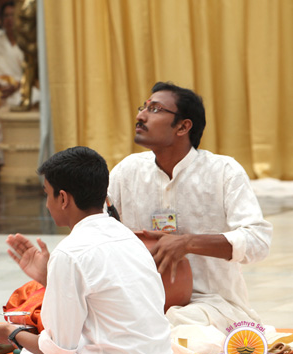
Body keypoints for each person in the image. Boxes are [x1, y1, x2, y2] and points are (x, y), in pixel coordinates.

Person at [0, 146, 172, 354]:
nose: (47, 204)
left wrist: (11, 333)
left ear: (64, 198)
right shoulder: (128, 237)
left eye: (47, 194)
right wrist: (49, 278)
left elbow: (59, 353)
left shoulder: (70, 252)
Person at [108, 82, 272, 334]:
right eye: (144, 107)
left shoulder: (223, 172)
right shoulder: (127, 171)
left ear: (183, 126)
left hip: (212, 308)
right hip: (142, 303)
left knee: (173, 330)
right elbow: (97, 228)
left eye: (155, 109)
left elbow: (257, 241)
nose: (141, 116)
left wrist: (187, 243)